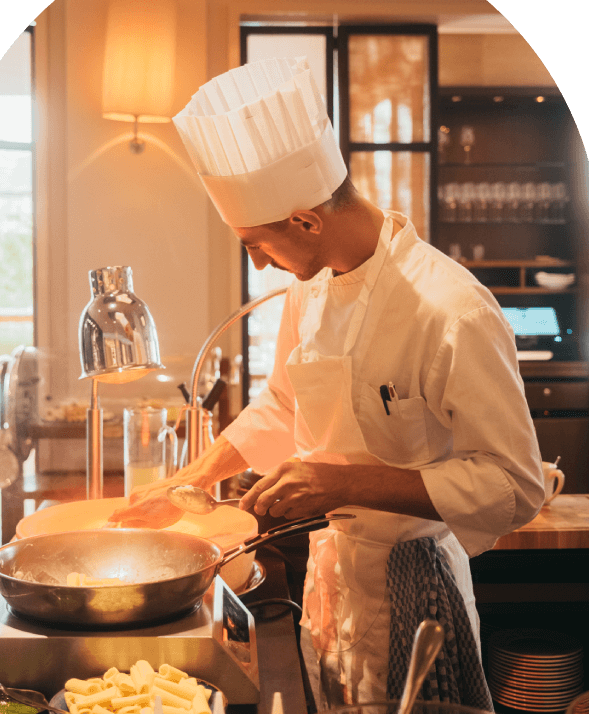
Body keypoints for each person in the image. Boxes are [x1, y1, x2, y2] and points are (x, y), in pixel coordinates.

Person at [110, 57, 545, 707]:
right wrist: (188, 480)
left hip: (416, 589)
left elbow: (516, 485)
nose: (257, 263)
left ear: (307, 221)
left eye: (257, 243)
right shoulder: (307, 288)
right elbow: (285, 403)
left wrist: (339, 483)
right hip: (331, 585)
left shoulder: (452, 309)